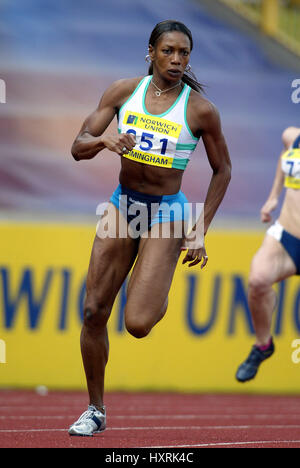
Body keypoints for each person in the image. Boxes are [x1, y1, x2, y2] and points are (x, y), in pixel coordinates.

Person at [68, 19, 231, 436]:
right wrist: (105, 141)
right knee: (92, 311)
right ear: (151, 52)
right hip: (123, 205)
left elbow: (223, 170)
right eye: (168, 51)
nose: (177, 59)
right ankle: (95, 410)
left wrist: (200, 228)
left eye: (184, 53)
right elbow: (78, 146)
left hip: (168, 214)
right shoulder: (124, 92)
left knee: (138, 324)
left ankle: (157, 282)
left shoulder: (199, 110)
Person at [236, 126, 300, 383]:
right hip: (287, 237)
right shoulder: (292, 136)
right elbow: (285, 157)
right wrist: (273, 196)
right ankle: (263, 345)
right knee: (258, 280)